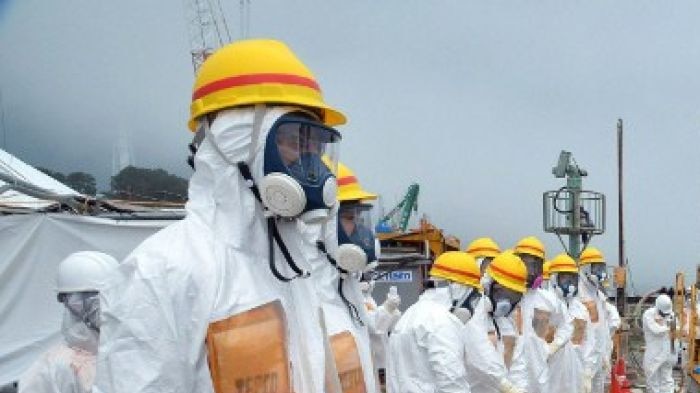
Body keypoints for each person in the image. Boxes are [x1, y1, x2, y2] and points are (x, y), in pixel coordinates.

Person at [94, 39, 348, 393]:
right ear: (239, 141)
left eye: (315, 147)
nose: (310, 164)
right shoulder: (162, 271)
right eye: (293, 140)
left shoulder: (293, 269)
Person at [19, 252, 118, 393]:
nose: (106, 306)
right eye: (93, 298)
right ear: (70, 302)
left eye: (111, 295)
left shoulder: (124, 351)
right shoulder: (56, 367)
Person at [386, 251, 479, 393]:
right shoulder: (442, 322)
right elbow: (452, 381)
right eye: (472, 296)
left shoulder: (410, 314)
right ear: (458, 288)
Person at [513, 236, 573, 393]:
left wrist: (555, 345)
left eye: (535, 265)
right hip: (513, 373)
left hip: (539, 371)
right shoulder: (507, 296)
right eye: (526, 263)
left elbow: (567, 324)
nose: (530, 271)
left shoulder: (547, 299)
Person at [462, 251, 528, 393]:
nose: (505, 302)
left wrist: (521, 387)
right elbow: (480, 354)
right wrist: (507, 386)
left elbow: (518, 361)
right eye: (501, 292)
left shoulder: (508, 321)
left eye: (513, 296)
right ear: (488, 285)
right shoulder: (474, 312)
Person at [547, 253, 597, 393]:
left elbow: (589, 342)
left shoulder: (580, 309)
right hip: (551, 374)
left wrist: (587, 372)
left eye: (573, 279)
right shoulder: (545, 306)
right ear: (554, 279)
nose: (570, 285)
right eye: (565, 279)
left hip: (576, 373)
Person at [578, 247, 613, 393]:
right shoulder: (579, 293)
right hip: (585, 361)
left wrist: (605, 353)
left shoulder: (597, 294)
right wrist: (586, 366)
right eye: (596, 268)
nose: (600, 273)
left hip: (598, 358)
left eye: (601, 268)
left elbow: (602, 328)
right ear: (586, 268)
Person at [643, 294, 675, 393]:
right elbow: (656, 330)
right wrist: (669, 328)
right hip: (654, 353)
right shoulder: (649, 314)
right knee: (652, 380)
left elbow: (675, 333)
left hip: (667, 352)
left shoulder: (671, 314)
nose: (665, 315)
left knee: (667, 380)